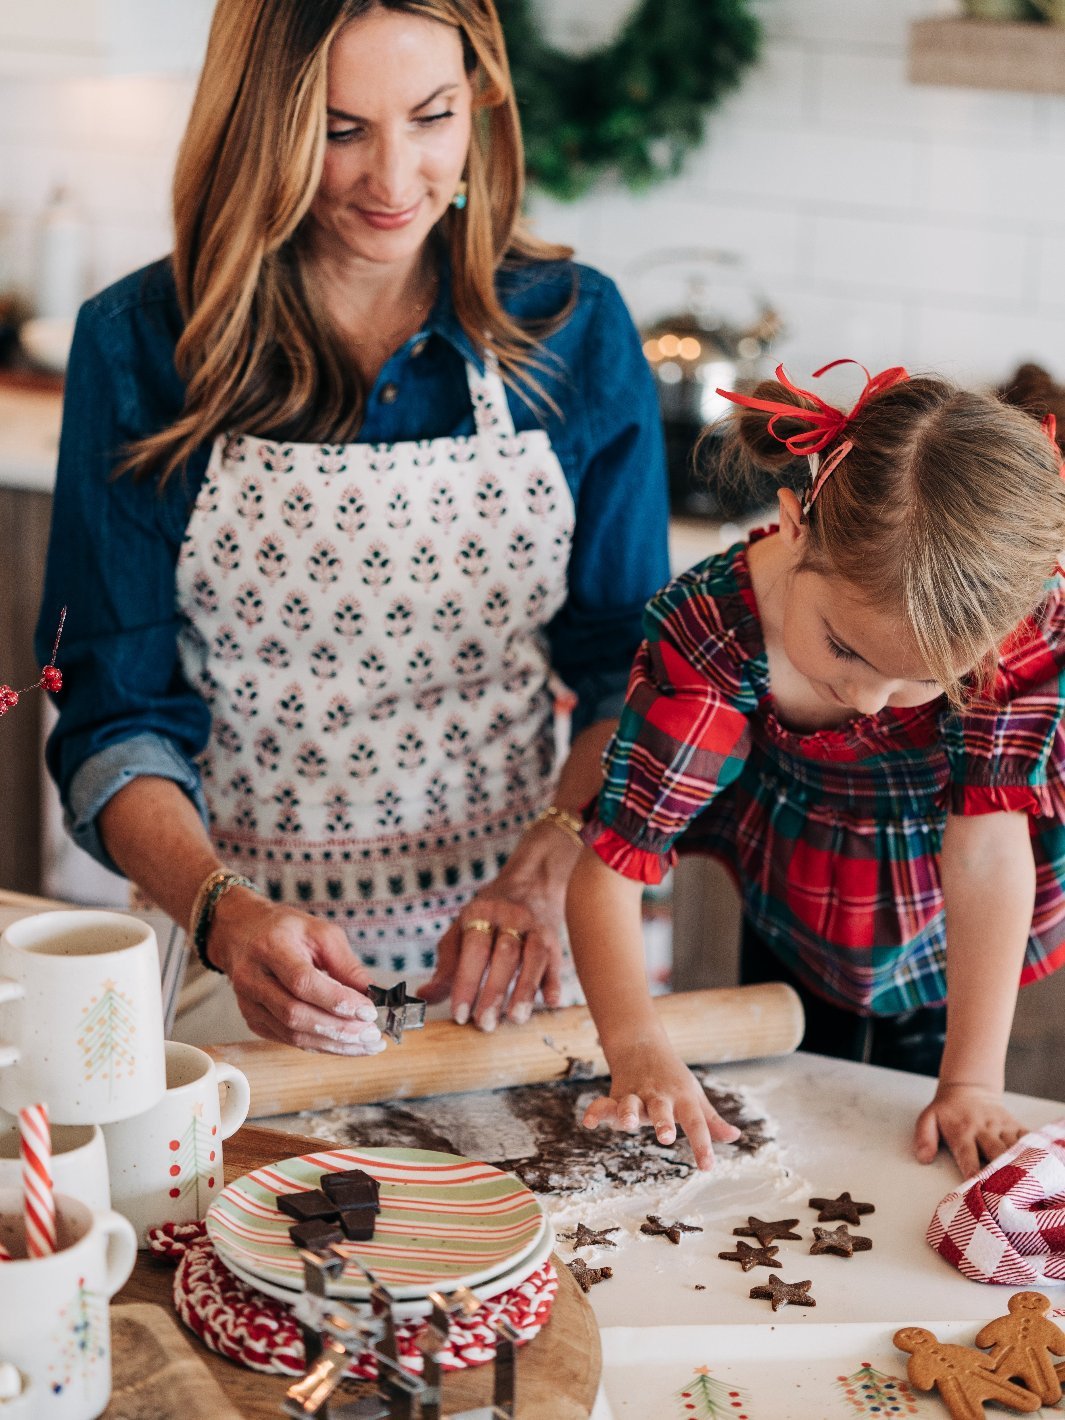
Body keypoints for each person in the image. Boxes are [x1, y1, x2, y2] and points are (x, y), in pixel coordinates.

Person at [35, 0, 669, 1055]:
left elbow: (634, 682)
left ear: (481, 104)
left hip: (514, 973)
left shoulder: (575, 332)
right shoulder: (139, 348)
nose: (393, 178)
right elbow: (114, 716)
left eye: (431, 116)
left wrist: (552, 866)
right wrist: (224, 915)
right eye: (340, 130)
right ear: (261, 129)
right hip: (235, 983)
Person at [567, 360, 1065, 1180]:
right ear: (795, 523)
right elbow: (614, 863)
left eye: (920, 680)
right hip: (791, 908)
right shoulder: (710, 634)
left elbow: (982, 850)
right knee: (795, 1111)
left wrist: (972, 1080)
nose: (870, 701)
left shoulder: (1018, 631)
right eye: (843, 648)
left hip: (958, 939)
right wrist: (637, 1046)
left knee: (900, 1153)